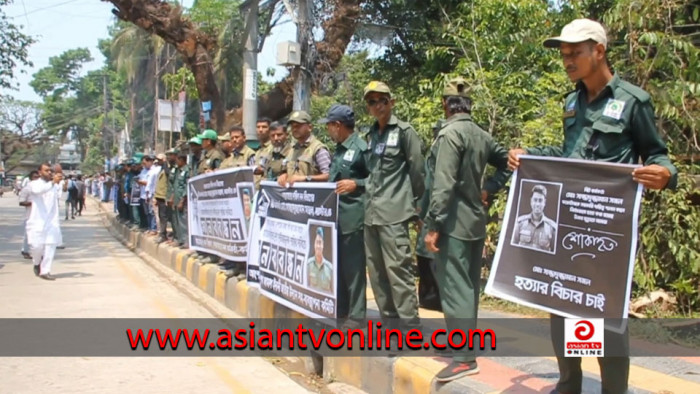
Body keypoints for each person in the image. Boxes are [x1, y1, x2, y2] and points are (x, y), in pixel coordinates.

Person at [508, 18, 677, 394]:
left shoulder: (633, 101)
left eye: (574, 53)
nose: (567, 61)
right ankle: (569, 384)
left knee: (604, 315)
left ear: (598, 51)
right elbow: (568, 156)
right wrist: (530, 156)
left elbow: (659, 156)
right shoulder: (571, 103)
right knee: (563, 303)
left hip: (607, 231)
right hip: (567, 223)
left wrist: (665, 174)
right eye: (564, 55)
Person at [423, 77, 511, 381]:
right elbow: (508, 162)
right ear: (468, 105)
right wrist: (490, 187)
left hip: (452, 223)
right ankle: (463, 345)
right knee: (468, 287)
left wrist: (433, 224)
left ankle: (463, 358)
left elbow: (443, 184)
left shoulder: (449, 135)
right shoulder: (481, 134)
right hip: (474, 221)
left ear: (446, 105)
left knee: (454, 287)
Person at [362, 81, 425, 326]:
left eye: (382, 100)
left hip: (395, 215)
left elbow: (418, 171)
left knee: (399, 273)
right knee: (377, 277)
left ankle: (410, 329)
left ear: (392, 102)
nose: (377, 106)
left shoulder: (404, 132)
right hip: (371, 215)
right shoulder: (369, 135)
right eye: (372, 101)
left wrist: (415, 205)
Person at [321, 104, 370, 319]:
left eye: (329, 126)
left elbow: (378, 178)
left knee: (354, 270)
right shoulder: (339, 149)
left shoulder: (361, 147)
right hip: (336, 218)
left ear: (338, 125)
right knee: (338, 267)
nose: (328, 131)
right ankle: (341, 309)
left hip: (354, 218)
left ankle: (357, 316)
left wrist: (356, 183)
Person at [26, 163, 64, 280]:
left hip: (51, 222)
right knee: (36, 247)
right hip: (37, 221)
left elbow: (61, 192)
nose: (49, 173)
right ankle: (37, 263)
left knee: (50, 246)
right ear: (39, 172)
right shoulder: (33, 184)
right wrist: (52, 183)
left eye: (50, 171)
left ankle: (45, 270)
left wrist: (60, 181)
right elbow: (39, 191)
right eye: (46, 170)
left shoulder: (54, 185)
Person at [277, 111, 331, 187]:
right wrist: (284, 175)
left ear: (310, 127)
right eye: (293, 126)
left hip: (312, 196)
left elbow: (328, 176)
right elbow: (287, 170)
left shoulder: (318, 149)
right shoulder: (292, 149)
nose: (295, 129)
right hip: (293, 196)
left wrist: (305, 178)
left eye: (298, 126)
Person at [512, 184, 557, 253]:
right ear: (531, 201)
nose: (537, 204)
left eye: (540, 200)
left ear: (544, 202)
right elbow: (512, 247)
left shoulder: (552, 228)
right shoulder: (520, 223)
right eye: (535, 200)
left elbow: (554, 253)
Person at [19, 170, 40, 259]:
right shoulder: (27, 189)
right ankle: (25, 250)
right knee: (28, 234)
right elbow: (21, 202)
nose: (37, 179)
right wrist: (32, 203)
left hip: (40, 216)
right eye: (35, 177)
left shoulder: (41, 189)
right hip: (29, 215)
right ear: (31, 178)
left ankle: (38, 252)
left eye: (38, 177)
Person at [306, 227, 333, 293]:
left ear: (323, 245)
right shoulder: (308, 265)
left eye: (320, 243)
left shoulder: (330, 268)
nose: (318, 246)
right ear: (314, 245)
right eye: (317, 243)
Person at [173, 152, 191, 248]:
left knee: (184, 221)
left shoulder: (187, 170)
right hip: (176, 198)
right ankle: (180, 239)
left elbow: (186, 186)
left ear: (182, 160)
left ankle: (186, 241)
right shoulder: (177, 170)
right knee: (177, 221)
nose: (176, 162)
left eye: (177, 160)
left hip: (182, 200)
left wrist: (182, 200)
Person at [154, 153, 170, 243]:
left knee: (164, 216)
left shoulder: (166, 168)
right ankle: (162, 233)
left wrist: (165, 163)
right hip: (159, 195)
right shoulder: (161, 169)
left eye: (160, 160)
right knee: (161, 216)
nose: (158, 161)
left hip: (164, 196)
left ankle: (163, 234)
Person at [253, 117, 272, 187]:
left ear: (270, 130)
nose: (260, 130)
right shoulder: (258, 151)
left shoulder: (273, 148)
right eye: (258, 127)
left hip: (267, 190)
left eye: (264, 127)